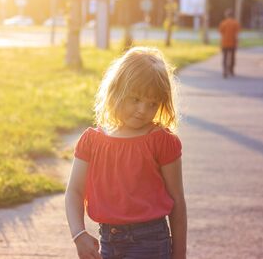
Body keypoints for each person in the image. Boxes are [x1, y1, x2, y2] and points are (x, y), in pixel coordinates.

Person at [65, 47, 187, 259]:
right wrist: (78, 234)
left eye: (152, 104)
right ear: (116, 90)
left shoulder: (161, 141)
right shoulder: (92, 141)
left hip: (150, 243)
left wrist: (179, 254)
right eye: (135, 99)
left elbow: (177, 200)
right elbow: (74, 191)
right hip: (108, 240)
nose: (143, 110)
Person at [218, 9, 240, 78]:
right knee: (232, 57)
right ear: (233, 15)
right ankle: (231, 70)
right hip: (233, 42)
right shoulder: (235, 23)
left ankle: (224, 70)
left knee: (224, 57)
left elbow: (220, 33)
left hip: (224, 42)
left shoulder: (223, 23)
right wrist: (238, 42)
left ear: (226, 15)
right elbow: (237, 34)